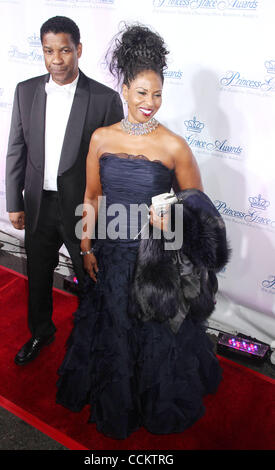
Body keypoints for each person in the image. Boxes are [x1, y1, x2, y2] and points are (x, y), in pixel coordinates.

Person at [56, 24, 229, 439]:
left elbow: (198, 209)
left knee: (157, 338)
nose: (149, 103)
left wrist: (167, 218)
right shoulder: (101, 138)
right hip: (111, 255)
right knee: (112, 331)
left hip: (156, 261)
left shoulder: (173, 146)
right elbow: (92, 195)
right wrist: (85, 242)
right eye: (140, 93)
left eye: (157, 94)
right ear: (124, 88)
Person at [5, 16, 124, 366]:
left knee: (91, 281)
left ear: (79, 50)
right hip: (39, 205)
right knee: (38, 276)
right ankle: (41, 331)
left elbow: (113, 166)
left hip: (82, 209)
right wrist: (14, 201)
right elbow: (17, 148)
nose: (56, 59)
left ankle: (94, 340)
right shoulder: (25, 91)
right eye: (48, 51)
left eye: (64, 50)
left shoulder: (104, 99)